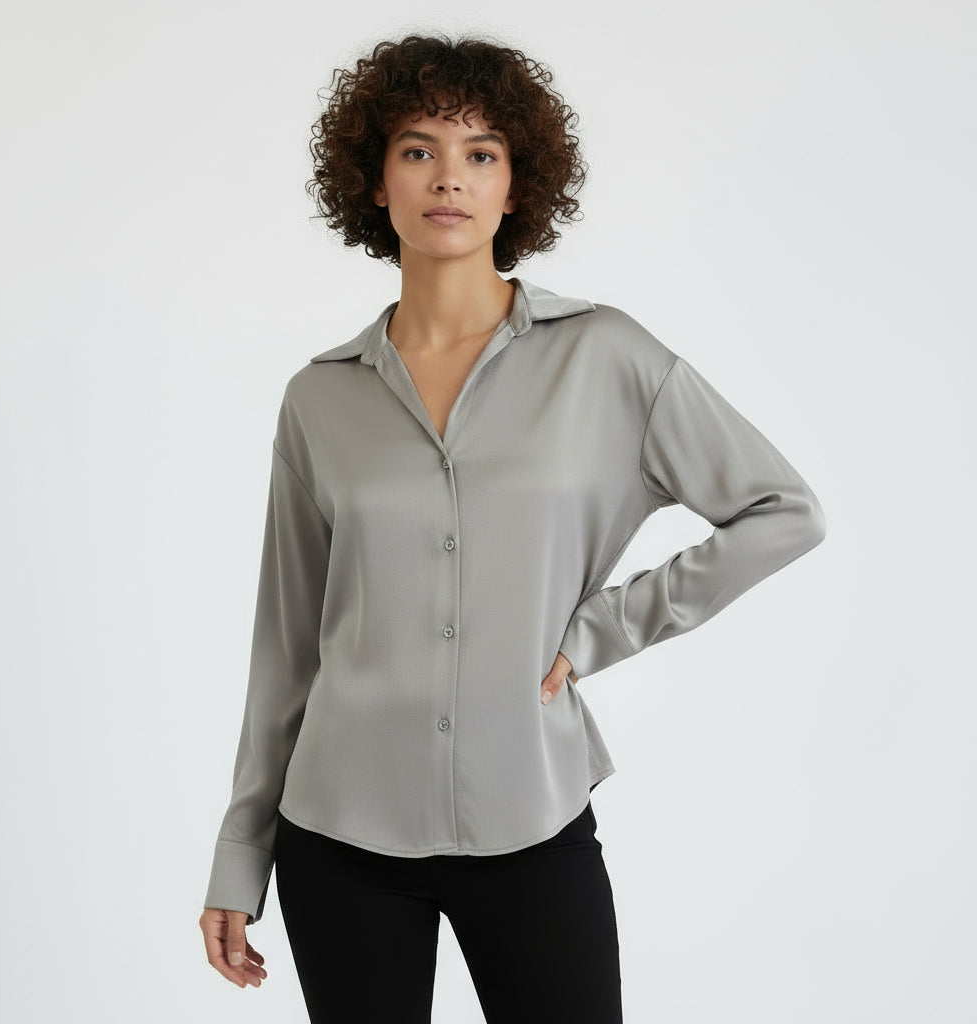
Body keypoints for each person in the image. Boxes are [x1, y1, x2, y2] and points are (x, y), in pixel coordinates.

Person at [198, 32, 826, 1023]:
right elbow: (285, 648)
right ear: (375, 182)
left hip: (532, 816)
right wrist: (241, 852)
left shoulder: (605, 357)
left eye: (480, 153)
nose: (448, 176)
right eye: (418, 149)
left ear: (515, 185)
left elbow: (781, 511)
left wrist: (599, 629)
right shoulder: (319, 398)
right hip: (336, 833)